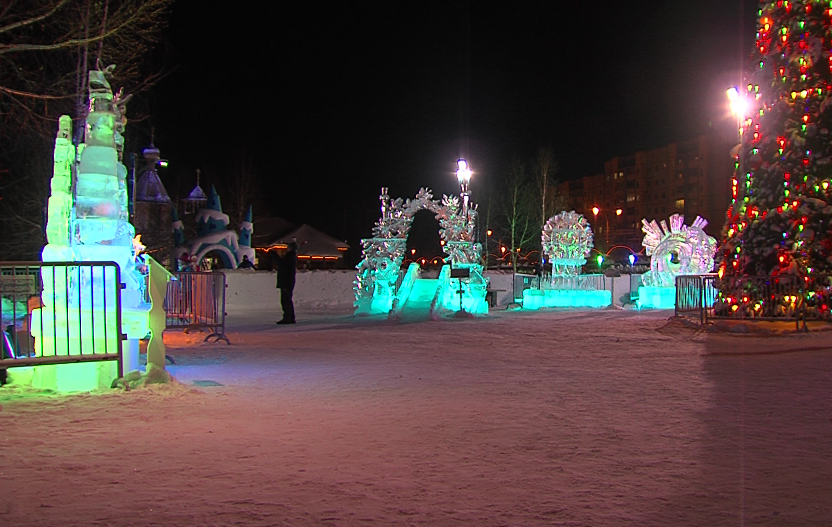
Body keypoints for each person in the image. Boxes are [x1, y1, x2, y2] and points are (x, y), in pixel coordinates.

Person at [273, 240, 298, 324]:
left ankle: (287, 317)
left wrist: (275, 256)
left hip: (286, 281)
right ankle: (290, 317)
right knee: (287, 300)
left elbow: (282, 265)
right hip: (288, 281)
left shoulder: (290, 257)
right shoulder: (291, 256)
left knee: (285, 300)